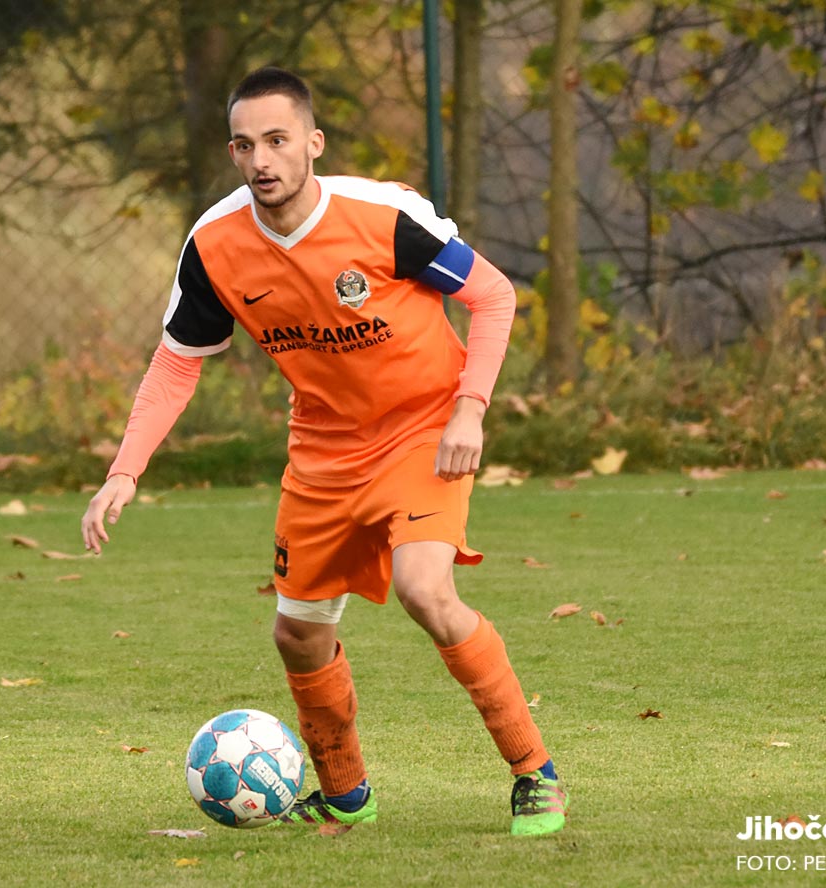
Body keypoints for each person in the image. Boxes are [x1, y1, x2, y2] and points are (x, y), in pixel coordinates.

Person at [81, 66, 567, 837]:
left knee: (425, 591)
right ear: (233, 153)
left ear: (312, 141)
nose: (262, 160)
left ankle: (532, 772)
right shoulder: (214, 244)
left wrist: (469, 412)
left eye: (277, 140)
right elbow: (177, 360)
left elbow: (492, 295)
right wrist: (123, 471)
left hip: (422, 429)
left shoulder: (384, 217)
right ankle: (346, 795)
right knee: (298, 632)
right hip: (322, 449)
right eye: (245, 145)